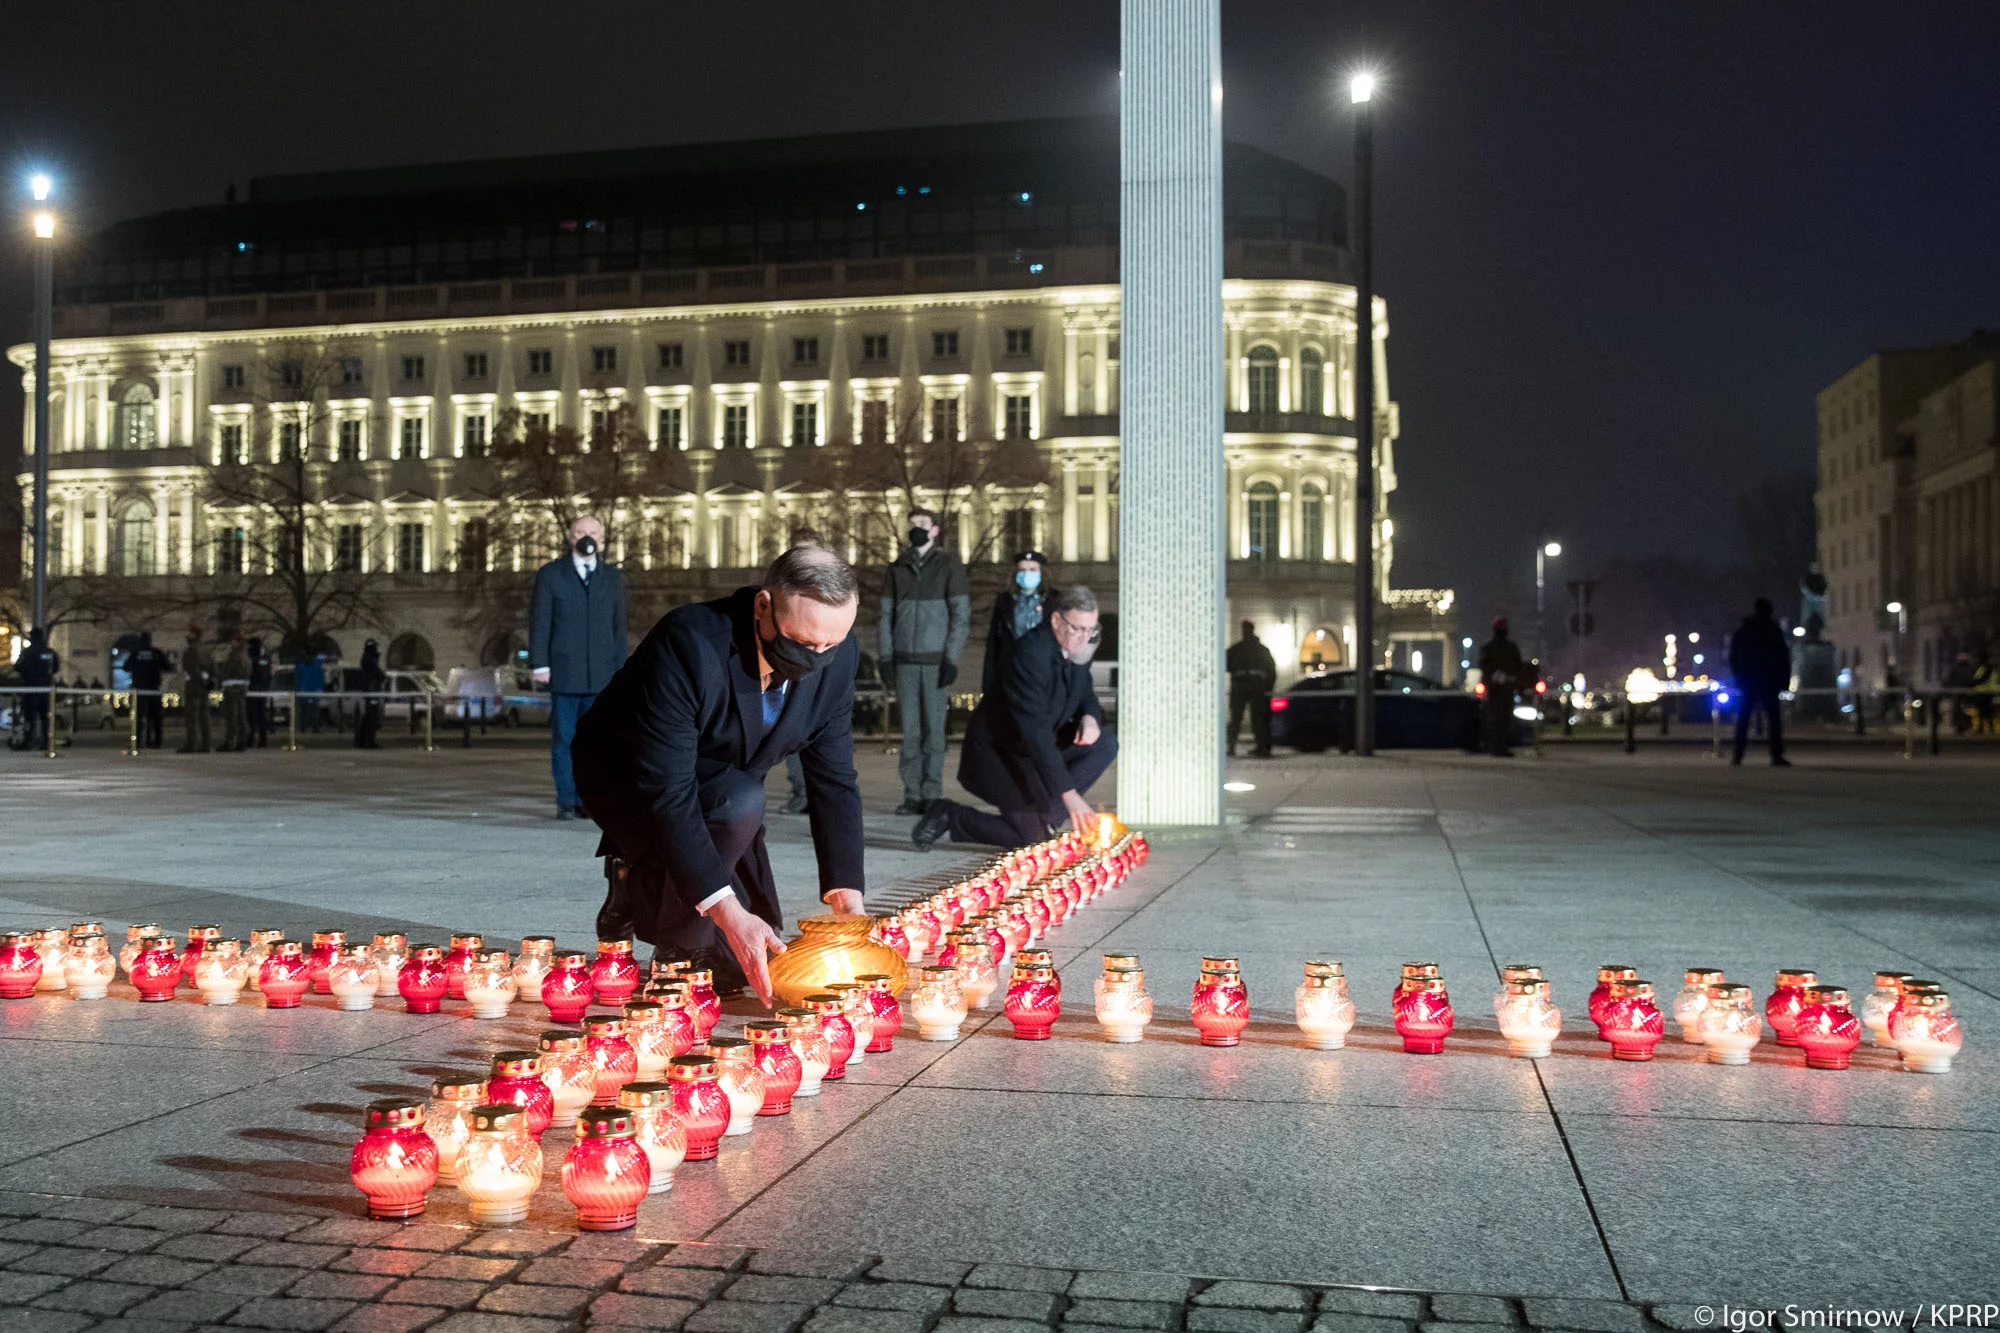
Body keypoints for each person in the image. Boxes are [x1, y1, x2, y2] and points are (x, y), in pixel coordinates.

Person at [571, 545, 867, 1006]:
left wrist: (847, 893)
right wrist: (724, 911)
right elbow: (669, 791)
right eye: (804, 644)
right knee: (736, 816)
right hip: (631, 773)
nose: (817, 659)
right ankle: (677, 952)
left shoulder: (839, 654)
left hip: (729, 780)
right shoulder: (691, 641)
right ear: (764, 606)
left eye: (830, 645)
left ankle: (633, 887)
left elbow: (833, 778)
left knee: (745, 960)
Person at [913, 585, 1116, 852]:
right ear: (1056, 620)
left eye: (1091, 629)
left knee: (1105, 743)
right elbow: (1036, 732)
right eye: (1078, 628)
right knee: (1033, 841)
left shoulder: (1077, 646)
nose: (1085, 637)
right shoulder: (1030, 655)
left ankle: (1045, 818)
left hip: (1035, 752)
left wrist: (1089, 716)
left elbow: (1083, 688)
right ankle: (951, 815)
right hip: (1001, 756)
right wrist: (1070, 795)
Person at [530, 515, 629, 819]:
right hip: (564, 673)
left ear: (601, 538)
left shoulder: (612, 578)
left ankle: (589, 800)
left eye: (592, 532)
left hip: (601, 675)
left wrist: (621, 670)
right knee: (564, 740)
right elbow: (540, 621)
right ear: (571, 537)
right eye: (581, 532)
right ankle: (566, 800)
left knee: (596, 744)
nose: (587, 537)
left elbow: (618, 627)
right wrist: (539, 664)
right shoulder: (550, 575)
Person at [879, 508, 971, 815]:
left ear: (935, 530)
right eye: (912, 525)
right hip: (904, 660)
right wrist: (885, 657)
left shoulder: (949, 566)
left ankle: (932, 794)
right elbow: (885, 616)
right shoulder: (896, 568)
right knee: (910, 732)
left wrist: (951, 658)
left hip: (935, 663)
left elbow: (960, 615)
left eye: (922, 524)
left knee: (934, 732)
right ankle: (912, 795)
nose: (916, 530)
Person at [781, 526, 826, 816]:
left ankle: (818, 794)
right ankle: (800, 792)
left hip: (821, 662)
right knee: (792, 731)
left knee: (822, 732)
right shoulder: (782, 583)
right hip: (792, 662)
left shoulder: (834, 584)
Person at [1728, 597, 1792, 767]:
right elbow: (1783, 658)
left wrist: (1738, 676)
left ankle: (1738, 754)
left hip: (1749, 680)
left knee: (1744, 718)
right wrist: (1783, 681)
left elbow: (1733, 656)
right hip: (1769, 680)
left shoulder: (1744, 630)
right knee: (1773, 720)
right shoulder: (1773, 631)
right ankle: (1776, 755)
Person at [981, 550, 1050, 696]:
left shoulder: (1053, 601)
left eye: (1032, 570)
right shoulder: (1005, 602)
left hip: (1043, 672)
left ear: (1041, 572)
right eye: (1023, 570)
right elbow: (994, 644)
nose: (1027, 574)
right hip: (1011, 672)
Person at [1226, 620, 1278, 758]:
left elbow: (1226, 664)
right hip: (1255, 685)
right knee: (1257, 718)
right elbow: (1271, 671)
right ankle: (1261, 746)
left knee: (1242, 717)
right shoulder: (1261, 650)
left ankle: (1233, 745)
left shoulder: (1236, 649)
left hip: (1242, 684)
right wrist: (1267, 688)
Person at [1477, 617, 1524, 757]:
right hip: (1502, 689)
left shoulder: (1489, 647)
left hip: (1497, 689)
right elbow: (1518, 667)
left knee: (1497, 719)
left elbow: (1485, 667)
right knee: (1501, 719)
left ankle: (1496, 747)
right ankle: (1498, 747)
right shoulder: (1510, 647)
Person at [16, 626, 59, 752]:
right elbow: (56, 668)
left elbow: (18, 666)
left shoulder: (28, 652)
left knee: (30, 717)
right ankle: (46, 742)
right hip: (45, 689)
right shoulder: (49, 652)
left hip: (30, 689)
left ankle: (28, 740)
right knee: (46, 717)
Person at [127, 631, 168, 749]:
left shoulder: (135, 654)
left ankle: (138, 741)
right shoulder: (156, 653)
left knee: (138, 718)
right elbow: (167, 666)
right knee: (156, 718)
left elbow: (126, 666)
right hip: (154, 689)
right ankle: (157, 742)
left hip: (139, 690)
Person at [177, 625, 212, 754]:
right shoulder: (206, 650)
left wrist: (197, 680)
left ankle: (192, 744)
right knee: (204, 716)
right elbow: (212, 668)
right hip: (204, 686)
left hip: (193, 685)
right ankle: (206, 744)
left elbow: (192, 669)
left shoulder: (191, 650)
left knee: (191, 716)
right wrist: (208, 683)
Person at [219, 633, 250, 752]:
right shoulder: (246, 656)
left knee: (231, 716)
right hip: (241, 689)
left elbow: (227, 671)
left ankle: (230, 741)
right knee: (241, 716)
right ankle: (242, 741)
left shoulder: (235, 656)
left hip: (232, 689)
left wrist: (222, 678)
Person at [354, 638, 385, 749]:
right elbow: (378, 674)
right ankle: (369, 741)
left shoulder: (369, 658)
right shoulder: (368, 659)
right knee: (372, 717)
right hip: (371, 691)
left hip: (372, 690)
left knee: (369, 716)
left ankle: (363, 741)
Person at [246, 638, 272, 747]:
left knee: (252, 716)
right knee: (262, 715)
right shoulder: (265, 656)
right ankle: (263, 739)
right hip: (263, 689)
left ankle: (251, 738)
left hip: (253, 688)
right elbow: (268, 673)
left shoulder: (252, 655)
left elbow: (250, 670)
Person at [294, 651, 326, 734]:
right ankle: (305, 728)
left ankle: (310, 728)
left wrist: (320, 689)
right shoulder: (306, 667)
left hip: (310, 692)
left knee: (311, 711)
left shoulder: (313, 667)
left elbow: (320, 679)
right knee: (307, 711)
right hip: (307, 692)